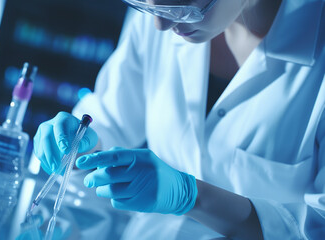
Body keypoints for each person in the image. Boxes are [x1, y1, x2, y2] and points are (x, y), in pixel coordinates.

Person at [34, 0, 325, 239]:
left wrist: (193, 197)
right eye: (149, 6)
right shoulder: (159, 13)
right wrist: (79, 143)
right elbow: (112, 120)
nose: (161, 25)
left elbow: (318, 227)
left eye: (181, 6)